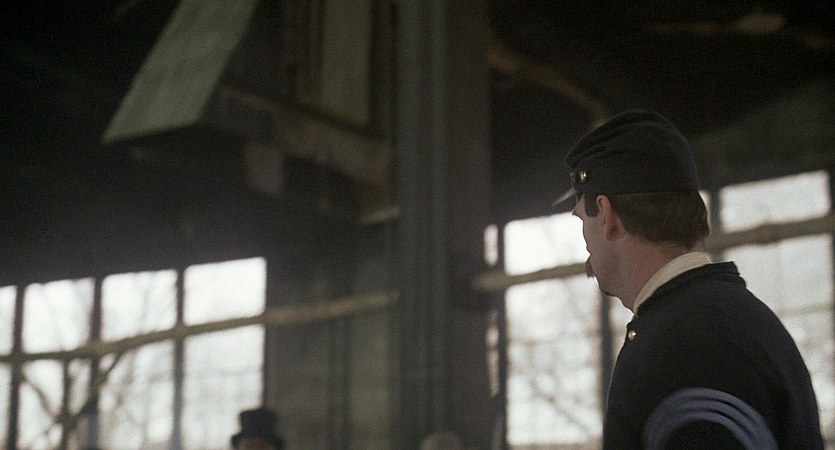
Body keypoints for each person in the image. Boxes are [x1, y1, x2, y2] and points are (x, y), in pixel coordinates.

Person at [553, 109, 824, 449]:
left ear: (607, 215)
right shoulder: (746, 320)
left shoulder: (678, 349)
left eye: (582, 219)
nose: (586, 245)